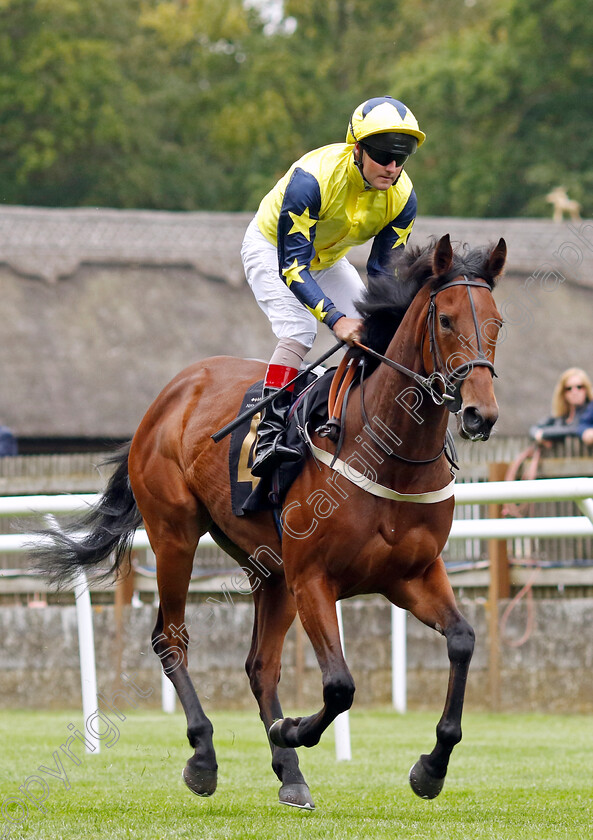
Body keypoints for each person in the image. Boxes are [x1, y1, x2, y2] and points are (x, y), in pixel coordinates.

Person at [241, 95, 425, 476]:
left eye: (401, 157)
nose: (392, 167)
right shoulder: (311, 179)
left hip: (326, 259)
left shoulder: (403, 198)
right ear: (357, 149)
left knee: (377, 327)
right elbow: (292, 266)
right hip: (273, 249)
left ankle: (362, 417)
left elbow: (382, 274)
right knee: (301, 328)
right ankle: (268, 433)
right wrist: (335, 319)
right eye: (382, 155)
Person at [529, 368, 593, 443]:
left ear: (586, 389)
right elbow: (534, 428)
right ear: (563, 393)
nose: (574, 392)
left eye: (579, 387)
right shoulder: (561, 417)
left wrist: (544, 434)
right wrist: (538, 435)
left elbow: (575, 428)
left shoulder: (589, 412)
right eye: (569, 388)